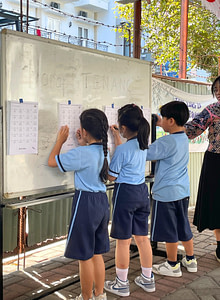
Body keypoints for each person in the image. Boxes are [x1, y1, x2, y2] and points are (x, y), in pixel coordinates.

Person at [48, 108, 110, 300]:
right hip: (102, 201)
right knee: (97, 253)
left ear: (84, 130)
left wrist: (60, 140)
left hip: (85, 203)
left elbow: (52, 161)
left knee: (84, 257)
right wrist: (83, 142)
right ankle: (100, 295)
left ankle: (85, 298)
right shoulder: (103, 150)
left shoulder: (81, 153)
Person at [104, 104, 155, 296]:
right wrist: (117, 137)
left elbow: (112, 176)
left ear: (124, 128)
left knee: (123, 241)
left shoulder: (122, 151)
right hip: (142, 192)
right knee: (142, 239)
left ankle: (121, 283)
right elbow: (125, 149)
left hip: (125, 194)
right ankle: (148, 279)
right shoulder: (142, 145)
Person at [148, 101, 197, 277]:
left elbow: (146, 153)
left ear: (171, 120)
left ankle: (172, 265)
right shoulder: (183, 137)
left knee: (169, 231)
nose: (161, 121)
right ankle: (190, 260)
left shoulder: (165, 142)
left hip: (166, 193)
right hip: (182, 191)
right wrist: (160, 123)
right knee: (183, 226)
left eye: (164, 118)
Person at [185, 76, 220, 263]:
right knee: (216, 203)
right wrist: (170, 125)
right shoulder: (211, 110)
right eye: (216, 90)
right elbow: (192, 130)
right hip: (215, 161)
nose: (218, 92)